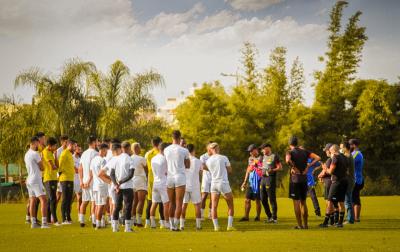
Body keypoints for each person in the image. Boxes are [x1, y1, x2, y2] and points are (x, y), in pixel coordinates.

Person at [286, 136, 320, 229]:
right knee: (303, 202)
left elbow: (287, 160)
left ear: (290, 144)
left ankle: (299, 225)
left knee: (296, 202)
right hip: (304, 179)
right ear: (297, 143)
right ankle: (305, 225)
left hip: (295, 179)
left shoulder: (290, 152)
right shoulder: (305, 151)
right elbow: (318, 157)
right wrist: (308, 166)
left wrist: (293, 167)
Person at [204, 143, 235, 231]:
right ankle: (229, 226)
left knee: (214, 206)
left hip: (213, 184)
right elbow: (230, 170)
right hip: (223, 182)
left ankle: (216, 227)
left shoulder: (208, 160)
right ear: (217, 148)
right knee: (230, 205)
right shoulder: (223, 157)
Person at [164, 130, 190, 231]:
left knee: (171, 203)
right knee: (179, 203)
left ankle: (171, 225)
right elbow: (188, 165)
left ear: (172, 138)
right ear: (180, 138)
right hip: (180, 177)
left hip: (169, 177)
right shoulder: (184, 150)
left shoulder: (166, 149)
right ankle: (175, 225)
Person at [319, 144, 349, 228]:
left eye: (330, 151)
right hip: (345, 181)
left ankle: (325, 222)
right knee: (341, 202)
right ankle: (340, 223)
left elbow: (330, 171)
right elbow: (347, 170)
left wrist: (325, 168)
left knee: (329, 201)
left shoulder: (335, 157)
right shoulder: (344, 157)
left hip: (337, 182)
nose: (330, 152)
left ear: (333, 151)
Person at [110, 141, 135, 232]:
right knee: (128, 207)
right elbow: (131, 174)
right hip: (127, 186)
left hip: (118, 187)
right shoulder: (129, 159)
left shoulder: (116, 159)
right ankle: (127, 228)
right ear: (128, 148)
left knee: (117, 207)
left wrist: (116, 184)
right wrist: (121, 182)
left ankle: (115, 228)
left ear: (121, 148)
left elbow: (111, 174)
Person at [25, 136, 49, 228]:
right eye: (38, 142)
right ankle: (44, 223)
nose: (39, 144)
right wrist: (42, 159)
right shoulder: (35, 154)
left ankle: (33, 222)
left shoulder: (27, 154)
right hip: (36, 179)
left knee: (32, 201)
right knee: (43, 200)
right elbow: (42, 167)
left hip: (29, 179)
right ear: (34, 143)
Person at [144, 137, 165, 228]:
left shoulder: (149, 154)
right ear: (160, 143)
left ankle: (153, 221)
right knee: (156, 201)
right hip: (156, 179)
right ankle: (156, 221)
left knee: (153, 201)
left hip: (153, 179)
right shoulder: (156, 154)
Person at [180, 144, 202, 230]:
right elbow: (200, 172)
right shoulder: (198, 161)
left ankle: (181, 225)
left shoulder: (183, 161)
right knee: (197, 205)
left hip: (185, 185)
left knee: (183, 205)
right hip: (195, 186)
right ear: (194, 150)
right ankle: (198, 225)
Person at [78, 136, 98, 227]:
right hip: (92, 181)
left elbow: (80, 168)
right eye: (97, 141)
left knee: (84, 201)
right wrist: (89, 181)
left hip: (85, 180)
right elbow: (92, 170)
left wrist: (81, 181)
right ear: (94, 142)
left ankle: (81, 221)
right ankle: (94, 222)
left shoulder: (84, 153)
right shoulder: (96, 154)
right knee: (93, 201)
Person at [260, 143, 282, 223]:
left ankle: (274, 218)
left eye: (263, 149)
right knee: (262, 199)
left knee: (272, 199)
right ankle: (269, 217)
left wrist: (272, 170)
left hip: (270, 179)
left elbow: (280, 167)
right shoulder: (262, 157)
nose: (262, 151)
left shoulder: (274, 156)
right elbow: (259, 166)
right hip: (263, 179)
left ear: (268, 148)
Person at [150, 142, 170, 229]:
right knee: (166, 204)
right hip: (163, 183)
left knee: (154, 203)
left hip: (155, 182)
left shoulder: (153, 158)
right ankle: (166, 223)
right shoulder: (165, 159)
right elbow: (168, 171)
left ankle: (152, 222)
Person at [240, 144, 261, 222]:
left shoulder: (261, 157)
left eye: (251, 151)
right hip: (251, 181)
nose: (250, 153)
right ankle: (246, 217)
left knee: (258, 200)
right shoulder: (250, 158)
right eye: (249, 152)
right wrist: (245, 181)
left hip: (258, 181)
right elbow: (248, 169)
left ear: (256, 150)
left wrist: (254, 164)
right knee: (247, 200)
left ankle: (258, 217)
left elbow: (256, 165)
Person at [90, 143, 109, 229]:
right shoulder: (103, 160)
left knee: (97, 205)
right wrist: (111, 180)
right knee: (101, 205)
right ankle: (98, 224)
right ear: (103, 150)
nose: (107, 152)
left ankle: (97, 222)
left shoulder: (94, 160)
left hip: (95, 185)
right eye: (106, 150)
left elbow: (91, 172)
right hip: (101, 185)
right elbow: (102, 173)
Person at [58, 139, 77, 224]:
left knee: (70, 199)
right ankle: (63, 218)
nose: (75, 148)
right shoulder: (64, 153)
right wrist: (61, 175)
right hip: (65, 179)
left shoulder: (70, 154)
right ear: (69, 145)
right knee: (65, 199)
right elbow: (60, 166)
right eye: (74, 146)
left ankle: (68, 218)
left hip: (70, 179)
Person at [42, 137, 59, 225]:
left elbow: (57, 165)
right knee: (53, 199)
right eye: (55, 145)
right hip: (49, 178)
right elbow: (53, 167)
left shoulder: (51, 153)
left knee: (50, 199)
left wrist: (55, 155)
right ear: (50, 145)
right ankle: (55, 220)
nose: (56, 147)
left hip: (53, 178)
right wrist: (55, 167)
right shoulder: (46, 152)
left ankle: (48, 220)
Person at [318, 143, 335, 225]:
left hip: (328, 182)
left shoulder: (329, 160)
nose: (325, 152)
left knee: (328, 202)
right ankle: (332, 220)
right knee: (330, 201)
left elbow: (325, 171)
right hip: (330, 182)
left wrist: (319, 175)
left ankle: (328, 220)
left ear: (329, 150)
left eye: (326, 150)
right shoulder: (333, 159)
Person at [131, 142, 148, 227]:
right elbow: (146, 170)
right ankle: (139, 221)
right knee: (141, 201)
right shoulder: (142, 158)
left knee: (134, 202)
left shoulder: (129, 158)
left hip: (132, 180)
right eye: (139, 147)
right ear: (136, 148)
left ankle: (133, 220)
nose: (140, 149)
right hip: (140, 180)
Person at [349, 139, 364, 223]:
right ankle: (353, 217)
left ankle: (356, 217)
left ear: (354, 145)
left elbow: (348, 162)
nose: (349, 147)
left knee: (355, 198)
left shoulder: (356, 154)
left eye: (350, 145)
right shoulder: (354, 153)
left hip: (356, 179)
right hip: (355, 178)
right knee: (353, 198)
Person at [341, 142, 355, 224]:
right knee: (348, 200)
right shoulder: (349, 156)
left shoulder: (348, 157)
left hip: (349, 181)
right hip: (350, 180)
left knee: (348, 200)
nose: (341, 149)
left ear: (345, 148)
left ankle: (350, 219)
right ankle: (350, 218)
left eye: (342, 147)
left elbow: (347, 171)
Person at [305, 153, 322, 217]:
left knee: (313, 197)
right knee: (302, 199)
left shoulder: (311, 159)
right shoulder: (299, 160)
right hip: (302, 181)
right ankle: (304, 213)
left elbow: (320, 163)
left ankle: (318, 212)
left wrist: (314, 169)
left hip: (310, 182)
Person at [200, 142, 212, 220]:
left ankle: (211, 214)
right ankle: (201, 214)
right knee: (203, 197)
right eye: (210, 147)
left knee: (213, 198)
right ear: (207, 148)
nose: (211, 148)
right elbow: (203, 166)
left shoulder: (216, 156)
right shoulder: (203, 156)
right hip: (206, 179)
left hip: (214, 179)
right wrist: (213, 169)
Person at [55, 135, 69, 204]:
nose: (67, 143)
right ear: (62, 142)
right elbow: (55, 164)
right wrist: (57, 175)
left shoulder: (69, 150)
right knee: (58, 195)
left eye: (68, 141)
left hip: (68, 176)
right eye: (66, 142)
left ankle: (65, 212)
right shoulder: (58, 151)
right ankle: (52, 213)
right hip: (60, 175)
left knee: (67, 196)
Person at [73, 145, 82, 219]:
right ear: (75, 149)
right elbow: (75, 170)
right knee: (70, 199)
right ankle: (66, 215)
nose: (80, 151)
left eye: (80, 150)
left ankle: (79, 215)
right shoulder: (72, 157)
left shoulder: (80, 159)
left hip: (79, 180)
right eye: (78, 149)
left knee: (79, 198)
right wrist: (81, 170)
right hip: (72, 180)